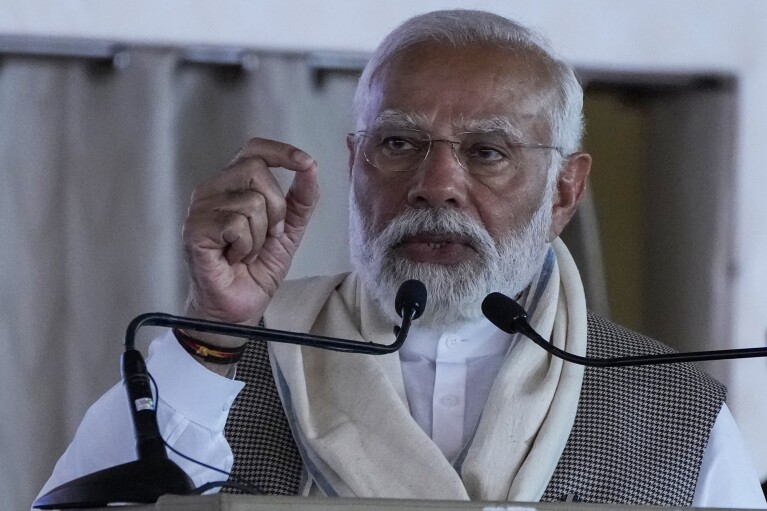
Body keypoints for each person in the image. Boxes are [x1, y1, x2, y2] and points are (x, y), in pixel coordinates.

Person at [39, 9, 766, 507]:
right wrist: (213, 328)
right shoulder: (227, 351)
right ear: (355, 162)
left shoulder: (676, 412)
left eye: (486, 151)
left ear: (563, 191)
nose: (435, 185)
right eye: (398, 143)